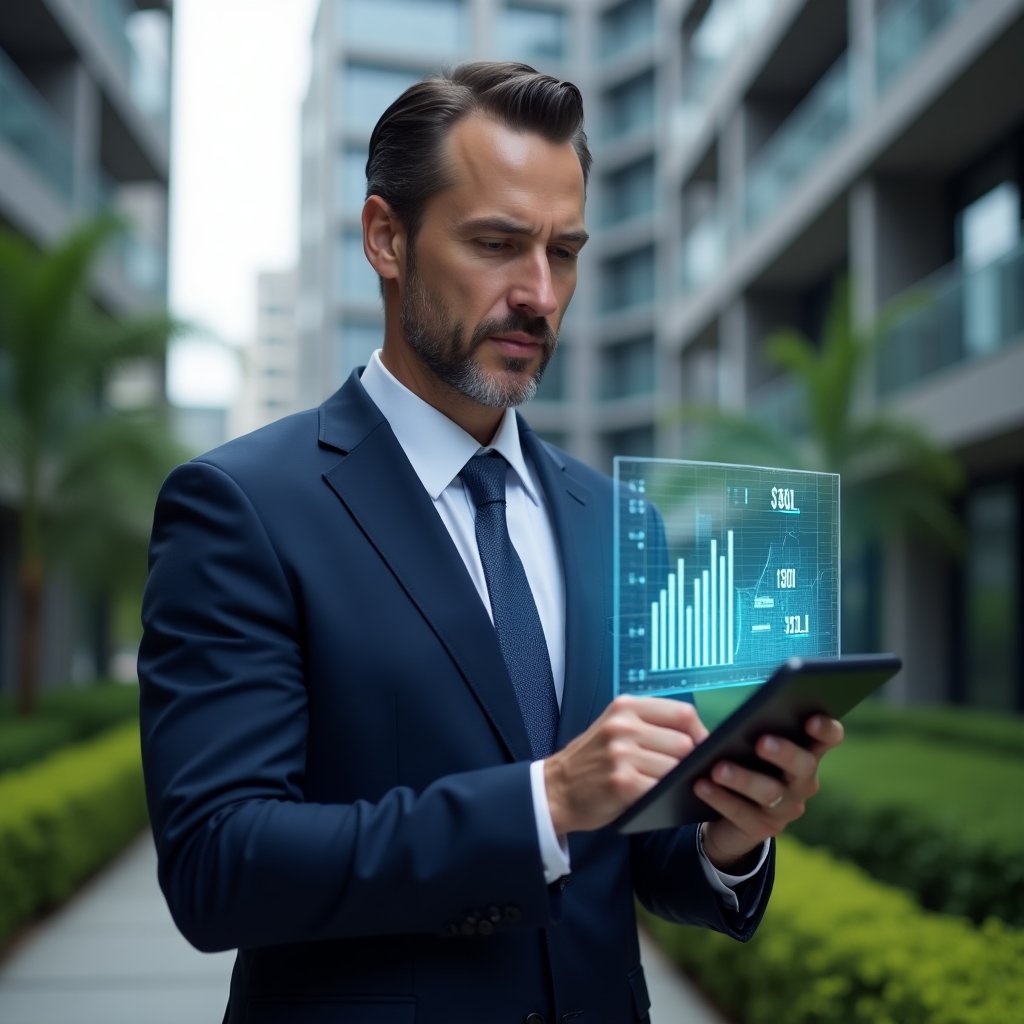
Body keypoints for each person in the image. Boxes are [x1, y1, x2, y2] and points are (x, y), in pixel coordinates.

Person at [138, 62, 842, 1024]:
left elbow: (633, 853)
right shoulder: (241, 506)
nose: (541, 294)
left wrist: (730, 836)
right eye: (499, 244)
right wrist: (541, 801)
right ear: (387, 238)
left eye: (566, 251)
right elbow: (221, 864)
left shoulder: (612, 517)